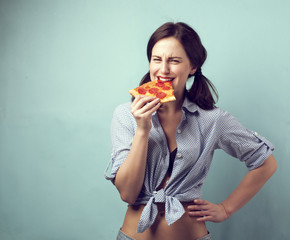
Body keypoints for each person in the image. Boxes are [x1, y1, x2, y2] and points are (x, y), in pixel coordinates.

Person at [105, 22, 277, 240]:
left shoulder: (212, 119)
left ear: (193, 67)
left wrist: (226, 209)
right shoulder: (126, 115)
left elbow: (266, 162)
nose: (163, 69)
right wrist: (142, 129)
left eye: (174, 61)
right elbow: (128, 194)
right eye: (157, 59)